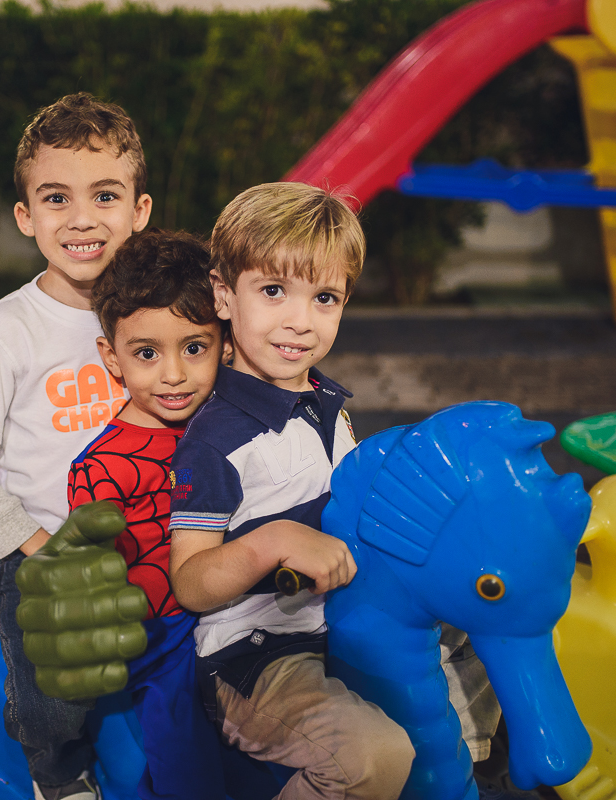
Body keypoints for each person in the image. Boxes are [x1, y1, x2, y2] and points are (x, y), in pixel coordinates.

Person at [0, 92, 151, 800]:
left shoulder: (153, 310)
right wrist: (28, 541)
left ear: (139, 211)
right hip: (43, 555)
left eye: (105, 195)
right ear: (27, 218)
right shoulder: (11, 327)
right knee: (55, 699)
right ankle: (55, 773)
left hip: (146, 544)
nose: (82, 218)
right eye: (56, 198)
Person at [167, 182, 415, 800]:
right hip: (255, 659)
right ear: (225, 295)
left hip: (337, 620)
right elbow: (191, 584)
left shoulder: (325, 404)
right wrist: (271, 542)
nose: (299, 321)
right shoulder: (217, 438)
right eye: (273, 291)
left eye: (324, 297)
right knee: (374, 759)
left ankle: (471, 767)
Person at [66, 228, 229, 800]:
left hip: (228, 615)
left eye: (193, 347)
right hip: (157, 642)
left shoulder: (221, 426)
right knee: (188, 767)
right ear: (112, 358)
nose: (174, 375)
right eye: (146, 353)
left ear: (224, 344)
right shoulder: (104, 467)